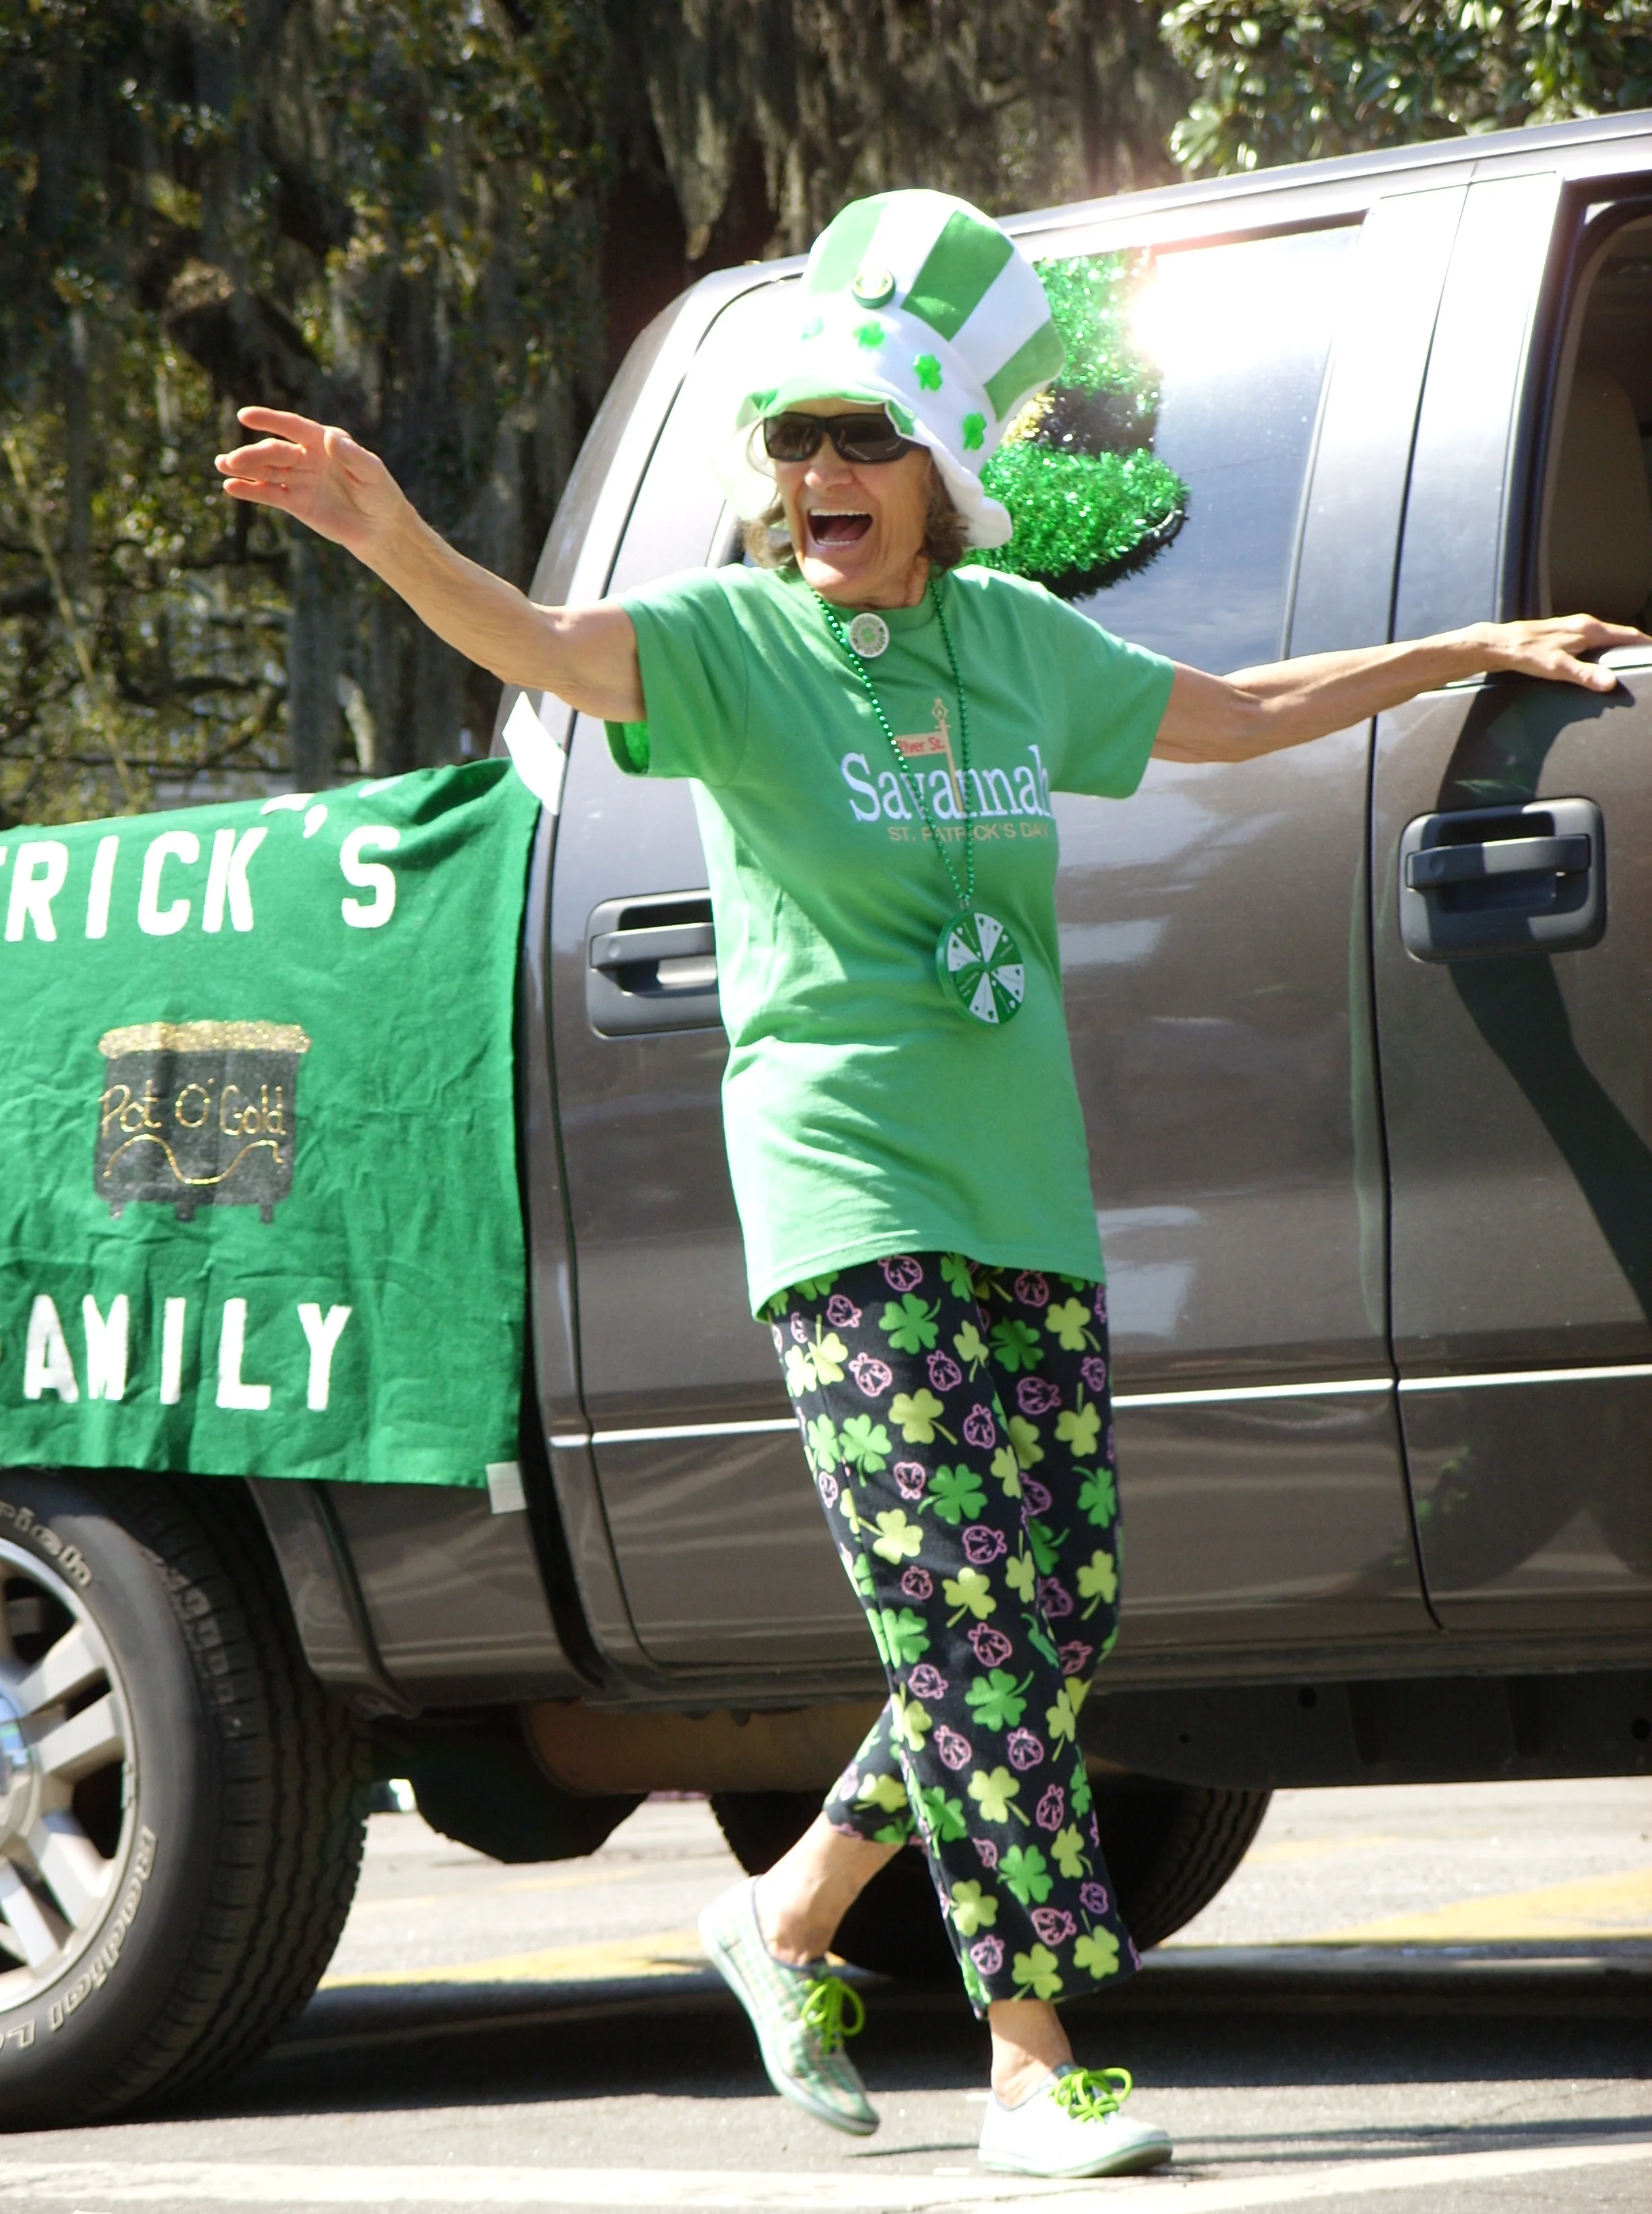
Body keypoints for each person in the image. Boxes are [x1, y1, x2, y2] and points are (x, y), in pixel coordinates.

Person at [216, 187, 1642, 2183]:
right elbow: (540, 641)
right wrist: (390, 535)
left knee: (1050, 1619)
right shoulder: (732, 651)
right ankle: (1033, 2063)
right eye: (791, 441)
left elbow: (1232, 719)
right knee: (976, 1621)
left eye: (859, 440)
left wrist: (1458, 650)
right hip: (849, 1198)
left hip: (1022, 1198)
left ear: (939, 472)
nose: (817, 475)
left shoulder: (1005, 645)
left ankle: (786, 1913)